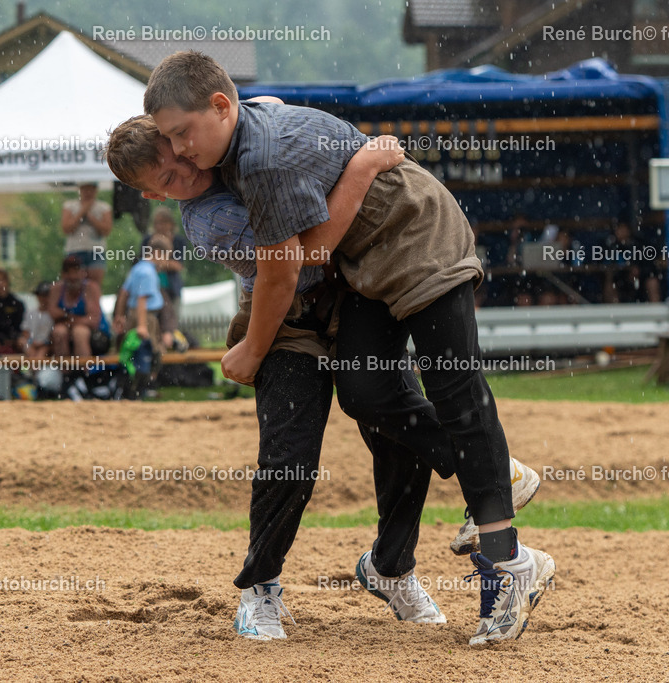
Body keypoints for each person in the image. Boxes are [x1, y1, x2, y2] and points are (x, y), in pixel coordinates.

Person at [143, 51, 554, 646]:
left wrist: (251, 351)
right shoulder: (235, 143)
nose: (179, 151)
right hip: (362, 265)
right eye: (169, 143)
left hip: (416, 235)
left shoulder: (257, 159)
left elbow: (297, 261)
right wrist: (358, 162)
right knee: (366, 391)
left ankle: (507, 566)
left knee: (455, 391)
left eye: (182, 135)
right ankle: (434, 527)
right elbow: (279, 125)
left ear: (221, 107)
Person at [112, 233, 170, 398]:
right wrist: (143, 326)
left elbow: (124, 293)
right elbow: (142, 299)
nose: (165, 263)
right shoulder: (148, 272)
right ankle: (138, 391)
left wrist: (119, 315)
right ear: (158, 253)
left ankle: (131, 389)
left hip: (133, 315)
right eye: (166, 257)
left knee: (132, 352)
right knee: (148, 352)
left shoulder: (137, 268)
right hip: (145, 317)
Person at [48, 256, 108, 357]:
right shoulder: (56, 289)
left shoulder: (91, 288)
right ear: (63, 274)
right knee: (59, 332)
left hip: (97, 337)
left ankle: (84, 370)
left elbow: (93, 320)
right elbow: (52, 313)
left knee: (79, 332)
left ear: (82, 272)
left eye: (75, 271)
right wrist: (76, 319)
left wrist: (67, 318)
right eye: (68, 272)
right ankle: (65, 370)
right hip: (68, 333)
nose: (72, 276)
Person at [141, 207, 186, 330]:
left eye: (163, 222)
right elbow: (143, 263)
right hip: (152, 287)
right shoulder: (147, 240)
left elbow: (177, 265)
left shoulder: (178, 241)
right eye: (156, 223)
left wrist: (157, 262)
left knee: (171, 320)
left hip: (172, 287)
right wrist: (165, 263)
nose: (159, 226)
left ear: (171, 224)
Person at [61, 182, 112, 286]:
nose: (88, 193)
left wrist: (90, 217)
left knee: (94, 286)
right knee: (74, 285)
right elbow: (66, 228)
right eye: (85, 189)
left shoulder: (104, 207)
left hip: (96, 250)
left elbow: (106, 230)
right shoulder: (69, 206)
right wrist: (82, 211)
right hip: (75, 249)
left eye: (91, 189)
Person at [0, 268, 26, 353]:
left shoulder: (17, 304)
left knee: (23, 344)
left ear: (7, 282)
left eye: (2, 280)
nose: (0, 284)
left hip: (13, 341)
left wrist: (16, 339)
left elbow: (20, 327)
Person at [22, 281, 54, 359]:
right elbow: (25, 331)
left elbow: (53, 335)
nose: (43, 298)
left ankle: (32, 369)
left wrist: (42, 343)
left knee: (41, 354)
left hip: (47, 345)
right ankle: (26, 370)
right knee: (28, 349)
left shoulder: (53, 314)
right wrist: (32, 342)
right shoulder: (30, 313)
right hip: (32, 342)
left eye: (46, 295)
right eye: (41, 295)